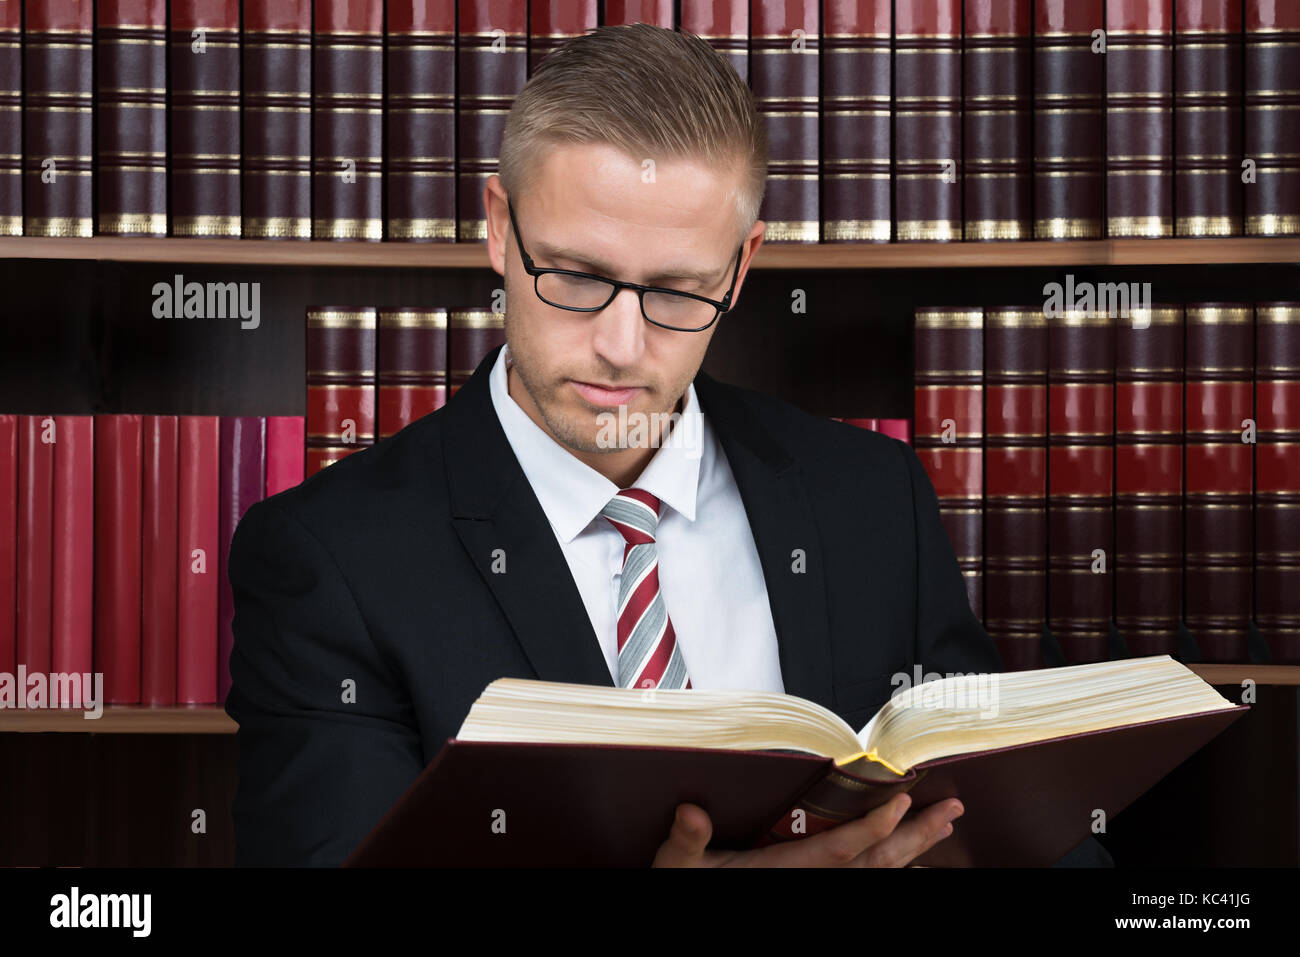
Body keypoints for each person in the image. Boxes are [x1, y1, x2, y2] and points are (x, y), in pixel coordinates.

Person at [226, 23, 1111, 868]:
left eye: (680, 291)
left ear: (741, 266)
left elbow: (1005, 826)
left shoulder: (872, 497)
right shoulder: (328, 559)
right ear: (499, 226)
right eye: (575, 275)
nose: (620, 344)